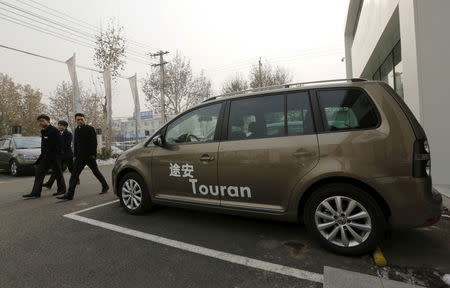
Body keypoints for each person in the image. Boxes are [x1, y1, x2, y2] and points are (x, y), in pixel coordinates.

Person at [57, 113, 109, 200]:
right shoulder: (76, 130)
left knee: (96, 172)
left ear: (84, 119)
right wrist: (75, 155)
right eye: (78, 119)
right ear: (75, 121)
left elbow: (94, 143)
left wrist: (93, 155)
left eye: (81, 119)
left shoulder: (90, 128)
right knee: (74, 175)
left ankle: (105, 186)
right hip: (79, 158)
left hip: (89, 157)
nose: (80, 121)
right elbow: (76, 144)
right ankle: (70, 195)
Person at [23, 114, 66, 199]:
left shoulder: (54, 130)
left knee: (58, 173)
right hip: (45, 157)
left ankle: (62, 189)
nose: (40, 123)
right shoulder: (43, 131)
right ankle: (35, 193)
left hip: (54, 156)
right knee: (39, 172)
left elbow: (60, 144)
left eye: (42, 121)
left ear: (48, 121)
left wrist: (58, 155)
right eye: (39, 121)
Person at [42, 120, 79, 194]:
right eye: (58, 125)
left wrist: (59, 148)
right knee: (57, 170)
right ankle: (49, 184)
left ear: (65, 127)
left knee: (71, 168)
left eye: (61, 125)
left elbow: (67, 144)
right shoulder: (57, 133)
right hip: (59, 155)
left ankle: (76, 180)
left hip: (67, 155)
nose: (59, 126)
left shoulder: (68, 134)